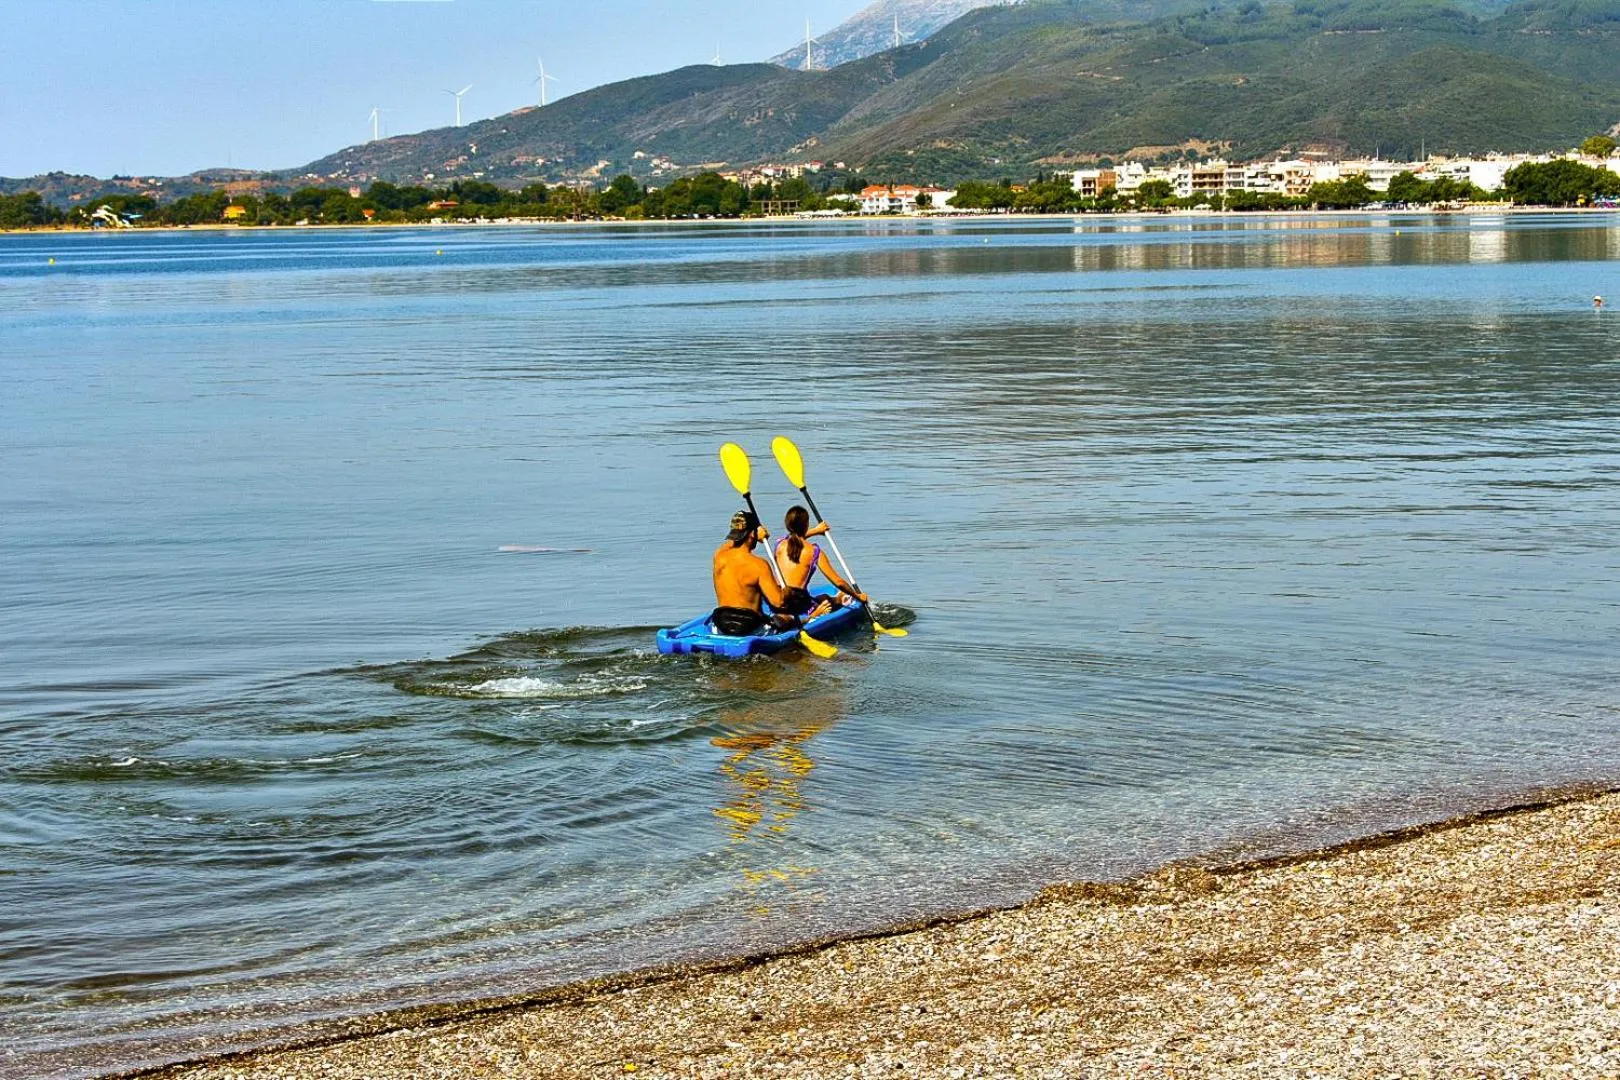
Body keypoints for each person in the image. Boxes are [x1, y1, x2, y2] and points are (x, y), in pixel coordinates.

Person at [773, 505, 867, 619]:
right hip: (800, 604)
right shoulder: (814, 551)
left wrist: (817, 530)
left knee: (823, 597)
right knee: (827, 601)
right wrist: (857, 596)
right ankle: (824, 608)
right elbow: (838, 582)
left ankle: (837, 598)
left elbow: (795, 539)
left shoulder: (779, 545)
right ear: (806, 524)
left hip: (778, 598)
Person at [711, 510, 791, 637]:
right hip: (749, 628)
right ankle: (810, 619)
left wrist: (752, 532)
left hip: (722, 625)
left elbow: (730, 544)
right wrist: (786, 591)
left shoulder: (719, 556)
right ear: (752, 534)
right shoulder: (759, 565)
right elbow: (778, 602)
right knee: (785, 617)